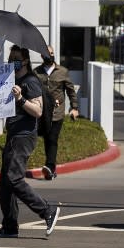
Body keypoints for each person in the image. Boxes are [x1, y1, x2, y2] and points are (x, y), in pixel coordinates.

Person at [0, 45, 60, 239]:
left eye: (16, 58)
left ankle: (47, 211)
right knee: (5, 183)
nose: (12, 61)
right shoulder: (14, 80)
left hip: (24, 135)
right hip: (14, 134)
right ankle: (10, 226)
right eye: (10, 58)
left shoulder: (30, 81)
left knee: (14, 178)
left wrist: (20, 99)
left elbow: (37, 110)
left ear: (26, 61)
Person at [34, 45, 79, 181]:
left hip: (57, 113)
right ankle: (51, 171)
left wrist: (74, 108)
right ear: (42, 56)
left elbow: (71, 91)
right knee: (47, 139)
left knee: (53, 138)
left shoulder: (63, 72)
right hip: (43, 113)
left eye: (52, 53)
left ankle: (49, 165)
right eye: (47, 54)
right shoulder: (37, 72)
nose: (50, 56)